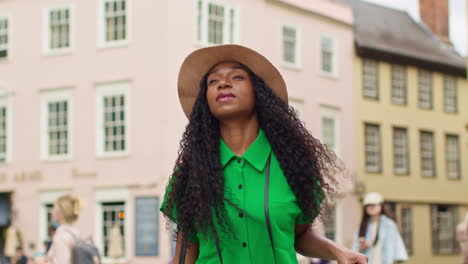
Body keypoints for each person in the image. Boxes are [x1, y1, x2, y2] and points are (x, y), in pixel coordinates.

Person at [160, 44, 367, 264]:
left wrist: (338, 252)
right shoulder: (191, 172)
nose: (223, 83)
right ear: (205, 100)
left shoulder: (293, 167)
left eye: (237, 77)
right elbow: (184, 255)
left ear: (259, 92)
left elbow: (298, 235)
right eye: (213, 81)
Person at [352, 192, 408, 264]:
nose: (371, 207)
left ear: (381, 206)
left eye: (374, 204)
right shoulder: (362, 227)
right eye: (368, 205)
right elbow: (354, 252)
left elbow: (398, 249)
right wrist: (361, 248)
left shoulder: (389, 225)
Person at [46, 194, 82, 264]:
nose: (52, 211)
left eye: (54, 208)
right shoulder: (74, 233)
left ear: (60, 213)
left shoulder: (61, 237)